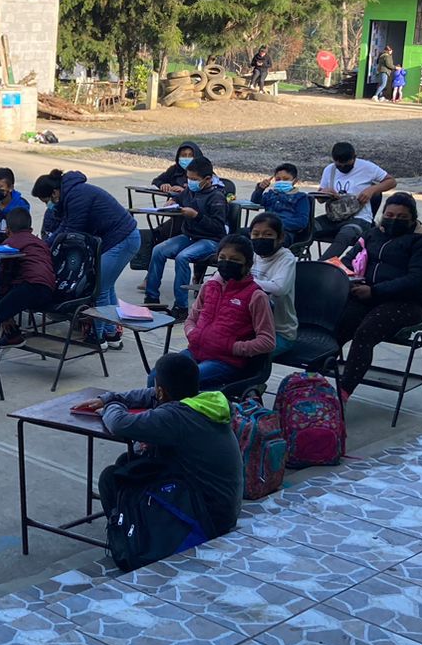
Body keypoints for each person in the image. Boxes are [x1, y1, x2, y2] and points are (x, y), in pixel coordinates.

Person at [94, 352, 243, 550]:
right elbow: (150, 396)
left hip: (207, 519)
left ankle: (129, 546)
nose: (153, 392)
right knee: (128, 462)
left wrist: (111, 404)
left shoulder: (176, 417)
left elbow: (119, 424)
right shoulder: (204, 402)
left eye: (156, 388)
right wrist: (110, 397)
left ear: (162, 392)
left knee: (112, 478)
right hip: (223, 509)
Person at [334, 192, 422, 399]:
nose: (394, 221)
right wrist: (348, 278)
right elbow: (347, 260)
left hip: (404, 303)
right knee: (334, 323)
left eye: (401, 217)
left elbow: (415, 281)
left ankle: (343, 393)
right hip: (365, 295)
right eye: (390, 215)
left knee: (365, 332)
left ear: (412, 218)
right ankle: (312, 381)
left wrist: (375, 291)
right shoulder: (372, 234)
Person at [34, 168, 141, 345]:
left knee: (99, 290)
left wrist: (47, 247)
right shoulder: (71, 194)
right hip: (117, 239)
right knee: (107, 287)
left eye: (48, 201)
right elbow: (64, 227)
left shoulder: (77, 196)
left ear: (54, 192)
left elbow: (71, 232)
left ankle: (98, 338)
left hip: (123, 240)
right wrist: (44, 245)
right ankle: (112, 333)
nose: (49, 206)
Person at [181, 234, 276, 388]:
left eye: (235, 260)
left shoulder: (256, 296)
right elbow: (191, 319)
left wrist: (232, 347)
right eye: (222, 258)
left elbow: (267, 341)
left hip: (226, 361)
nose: (227, 263)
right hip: (196, 351)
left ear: (247, 264)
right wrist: (193, 333)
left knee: (184, 382)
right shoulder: (209, 287)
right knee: (159, 376)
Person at [142, 155, 229, 315]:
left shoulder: (216, 198)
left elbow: (218, 227)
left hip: (211, 240)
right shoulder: (190, 191)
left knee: (183, 257)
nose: (190, 182)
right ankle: (151, 297)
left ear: (207, 179)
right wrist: (172, 201)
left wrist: (196, 215)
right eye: (189, 178)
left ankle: (181, 306)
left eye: (194, 179)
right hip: (190, 236)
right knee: (158, 250)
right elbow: (179, 198)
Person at [312, 141, 397, 259]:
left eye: (346, 165)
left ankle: (321, 265)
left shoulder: (367, 167)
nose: (342, 168)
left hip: (359, 218)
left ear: (354, 158)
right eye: (339, 165)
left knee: (345, 235)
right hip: (335, 217)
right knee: (307, 228)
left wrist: (372, 190)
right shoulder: (329, 170)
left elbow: (391, 181)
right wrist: (324, 193)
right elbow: (320, 200)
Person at [0, 207, 56, 348]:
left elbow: (3, 276)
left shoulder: (9, 244)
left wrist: (0, 303)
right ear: (31, 229)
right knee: (5, 306)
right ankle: (12, 335)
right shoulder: (40, 243)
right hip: (48, 288)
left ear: (7, 231)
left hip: (29, 286)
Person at [248, 213, 299, 353]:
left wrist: (244, 282)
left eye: (268, 234)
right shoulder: (251, 255)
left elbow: (278, 288)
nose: (260, 238)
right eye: (255, 234)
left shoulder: (286, 258)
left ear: (280, 237)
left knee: (242, 359)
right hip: (249, 328)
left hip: (279, 332)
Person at [249, 163, 312, 242]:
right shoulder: (271, 194)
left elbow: (301, 222)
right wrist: (260, 189)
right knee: (241, 235)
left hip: (285, 232)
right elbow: (255, 201)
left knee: (267, 241)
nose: (281, 181)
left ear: (295, 181)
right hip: (265, 229)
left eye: (286, 179)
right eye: (278, 179)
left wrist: (276, 225)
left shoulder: (300, 197)